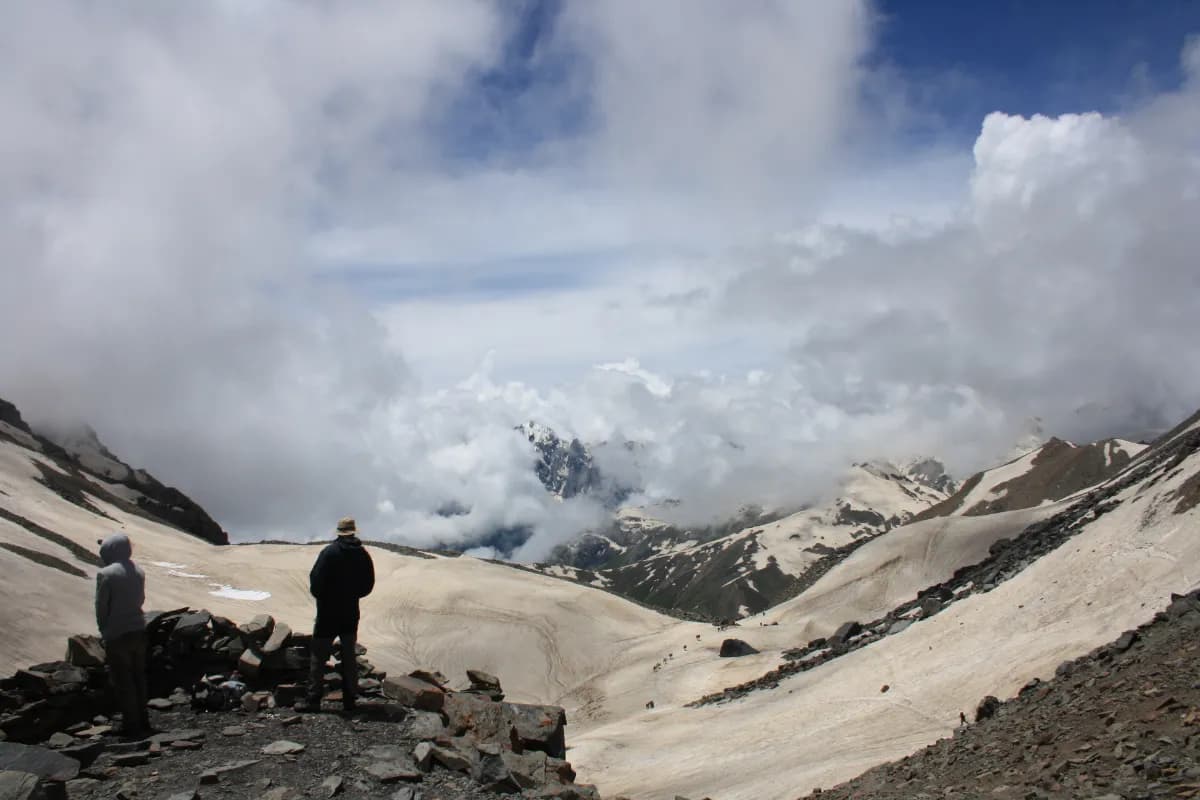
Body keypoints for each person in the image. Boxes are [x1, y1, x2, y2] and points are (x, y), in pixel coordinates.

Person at [304, 516, 375, 712]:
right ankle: (350, 699)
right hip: (350, 612)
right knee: (349, 655)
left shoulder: (329, 552)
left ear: (339, 532)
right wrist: (352, 595)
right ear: (354, 532)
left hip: (327, 612)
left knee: (319, 655)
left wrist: (324, 598)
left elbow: (316, 581)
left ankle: (313, 699)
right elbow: (368, 585)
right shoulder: (362, 554)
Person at [95, 533, 150, 737]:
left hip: (117, 632)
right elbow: (141, 599)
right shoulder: (138, 572)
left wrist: (104, 630)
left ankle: (131, 724)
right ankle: (143, 719)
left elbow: (102, 606)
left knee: (123, 680)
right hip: (138, 629)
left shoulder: (106, 574)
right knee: (138, 677)